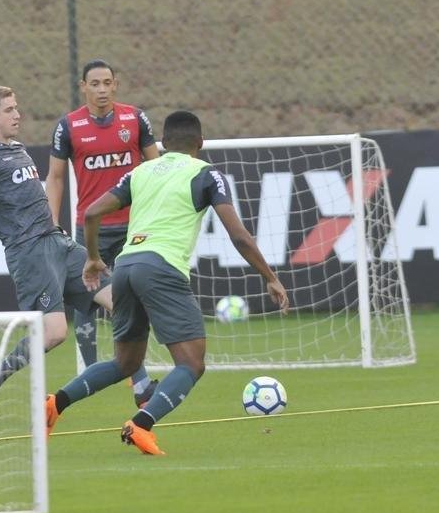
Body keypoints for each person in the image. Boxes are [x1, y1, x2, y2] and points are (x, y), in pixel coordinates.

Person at [44, 110, 289, 455]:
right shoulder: (205, 174)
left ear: (163, 143)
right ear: (199, 143)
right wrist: (271, 277)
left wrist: (94, 258)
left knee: (125, 363)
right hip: (162, 268)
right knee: (191, 363)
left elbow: (93, 212)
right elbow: (240, 237)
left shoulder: (140, 171)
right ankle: (141, 425)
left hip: (127, 266)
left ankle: (55, 403)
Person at [0, 85, 116, 421]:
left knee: (121, 299)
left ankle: (140, 385)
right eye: (9, 110)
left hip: (59, 244)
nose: (17, 114)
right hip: (30, 253)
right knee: (54, 334)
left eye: (16, 107)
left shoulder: (17, 148)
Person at [44, 59, 160, 407]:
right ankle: (93, 372)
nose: (102, 90)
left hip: (132, 226)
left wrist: (157, 212)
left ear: (116, 84)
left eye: (107, 83)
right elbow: (57, 177)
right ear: (84, 87)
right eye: (95, 84)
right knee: (86, 302)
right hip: (90, 228)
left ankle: (137, 381)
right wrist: (51, 224)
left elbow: (156, 168)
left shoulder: (135, 119)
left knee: (129, 300)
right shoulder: (69, 126)